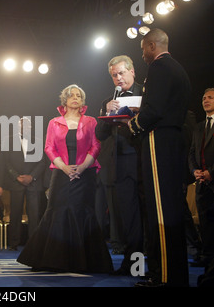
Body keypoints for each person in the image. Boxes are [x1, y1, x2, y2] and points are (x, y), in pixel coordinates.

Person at [17, 84, 113, 273]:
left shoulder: (91, 121)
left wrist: (82, 167)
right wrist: (65, 168)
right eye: (71, 96)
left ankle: (83, 260)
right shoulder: (54, 122)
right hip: (61, 173)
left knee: (82, 212)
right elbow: (49, 148)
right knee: (56, 211)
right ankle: (52, 259)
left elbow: (96, 146)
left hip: (85, 174)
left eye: (79, 95)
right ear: (65, 100)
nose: (75, 98)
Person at [128, 28, 191, 287]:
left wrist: (133, 124)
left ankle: (166, 277)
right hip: (172, 140)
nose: (142, 54)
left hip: (159, 140)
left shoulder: (159, 67)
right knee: (169, 209)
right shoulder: (178, 68)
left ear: (152, 45)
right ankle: (169, 274)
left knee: (161, 211)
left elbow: (152, 110)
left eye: (143, 48)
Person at [95, 55, 144, 275]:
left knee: (134, 219)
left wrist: (135, 118)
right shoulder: (109, 100)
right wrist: (107, 112)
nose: (118, 78)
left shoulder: (145, 95)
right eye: (114, 75)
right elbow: (99, 134)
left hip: (135, 165)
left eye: (121, 73)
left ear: (132, 71)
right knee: (118, 220)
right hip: (112, 168)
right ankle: (127, 263)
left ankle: (136, 267)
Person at [4, 117, 46, 250]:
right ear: (17, 127)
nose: (24, 127)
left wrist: (31, 177)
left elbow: (42, 162)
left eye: (27, 125)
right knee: (15, 213)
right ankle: (14, 243)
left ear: (31, 127)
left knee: (34, 214)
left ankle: (33, 243)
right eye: (22, 125)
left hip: (33, 183)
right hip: (16, 183)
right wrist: (17, 177)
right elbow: (6, 163)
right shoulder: (8, 140)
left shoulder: (38, 141)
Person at [188, 88, 214, 269]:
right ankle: (207, 254)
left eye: (211, 98)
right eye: (204, 98)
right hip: (201, 183)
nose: (206, 100)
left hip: (213, 178)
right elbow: (191, 153)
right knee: (205, 221)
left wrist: (212, 172)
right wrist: (195, 171)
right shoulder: (198, 127)